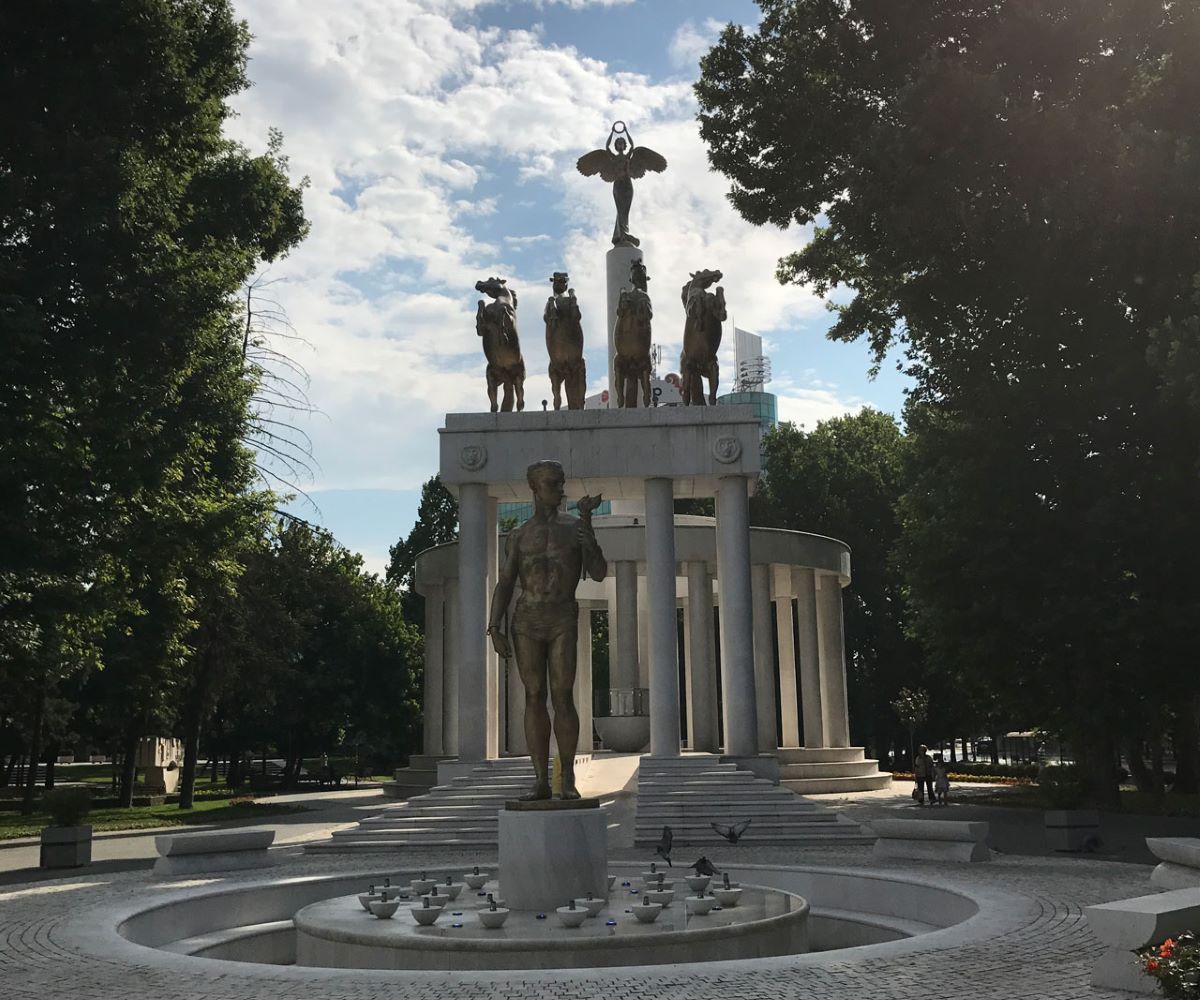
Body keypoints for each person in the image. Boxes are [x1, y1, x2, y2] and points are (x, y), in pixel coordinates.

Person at [487, 460, 607, 800]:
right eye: (552, 484)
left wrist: (591, 539)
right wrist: (494, 626)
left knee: (563, 694)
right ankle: (540, 779)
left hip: (561, 617)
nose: (560, 489)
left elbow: (597, 572)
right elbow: (506, 582)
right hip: (526, 620)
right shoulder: (520, 535)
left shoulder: (574, 528)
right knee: (534, 695)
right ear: (535, 488)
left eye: (561, 483)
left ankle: (567, 778)